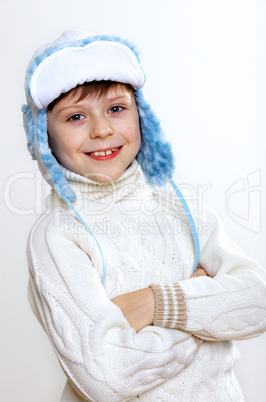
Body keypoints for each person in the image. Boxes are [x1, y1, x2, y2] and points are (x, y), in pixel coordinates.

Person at [22, 29, 266, 401]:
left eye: (117, 109)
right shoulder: (58, 237)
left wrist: (157, 303)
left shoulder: (179, 203)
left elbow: (258, 301)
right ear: (43, 137)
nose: (102, 129)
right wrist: (206, 313)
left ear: (142, 116)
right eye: (75, 117)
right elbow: (105, 377)